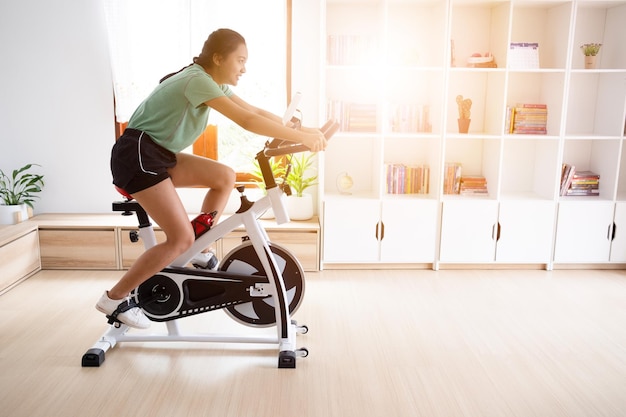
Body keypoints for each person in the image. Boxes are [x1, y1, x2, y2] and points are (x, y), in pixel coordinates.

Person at [96, 28, 327, 329]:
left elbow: (254, 110)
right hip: (137, 155)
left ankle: (200, 249)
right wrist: (299, 136)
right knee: (179, 239)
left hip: (155, 153)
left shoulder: (210, 80)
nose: (244, 68)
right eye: (240, 61)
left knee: (224, 176)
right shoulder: (198, 81)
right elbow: (246, 121)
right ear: (218, 58)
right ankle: (114, 298)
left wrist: (305, 131)